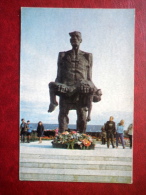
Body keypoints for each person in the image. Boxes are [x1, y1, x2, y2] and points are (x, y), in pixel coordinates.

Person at [48, 31, 102, 133]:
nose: (75, 39)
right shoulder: (63, 55)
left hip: (81, 91)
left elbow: (89, 78)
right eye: (73, 37)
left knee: (82, 117)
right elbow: (58, 75)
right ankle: (62, 135)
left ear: (81, 40)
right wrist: (56, 89)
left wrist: (96, 90)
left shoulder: (87, 56)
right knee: (63, 114)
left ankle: (82, 138)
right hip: (66, 89)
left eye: (77, 37)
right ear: (70, 41)